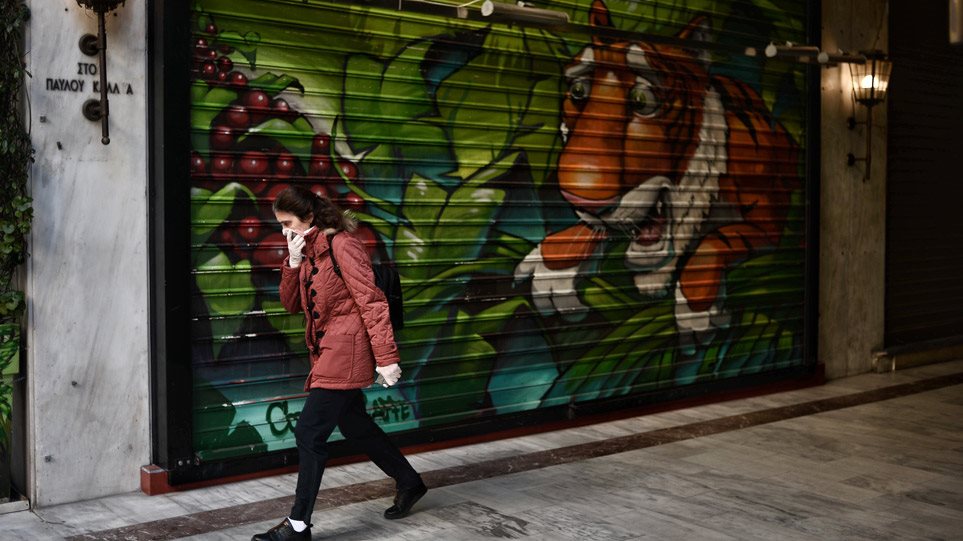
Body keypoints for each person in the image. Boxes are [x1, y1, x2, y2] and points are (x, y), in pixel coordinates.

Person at [253, 186, 427, 541]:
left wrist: (386, 358)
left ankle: (298, 525)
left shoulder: (343, 245)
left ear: (309, 217)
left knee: (308, 432)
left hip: (346, 352)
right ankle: (409, 481)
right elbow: (290, 304)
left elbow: (371, 302)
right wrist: (293, 262)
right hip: (326, 350)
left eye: (288, 223)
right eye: (280, 225)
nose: (284, 231)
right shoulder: (308, 250)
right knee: (355, 424)